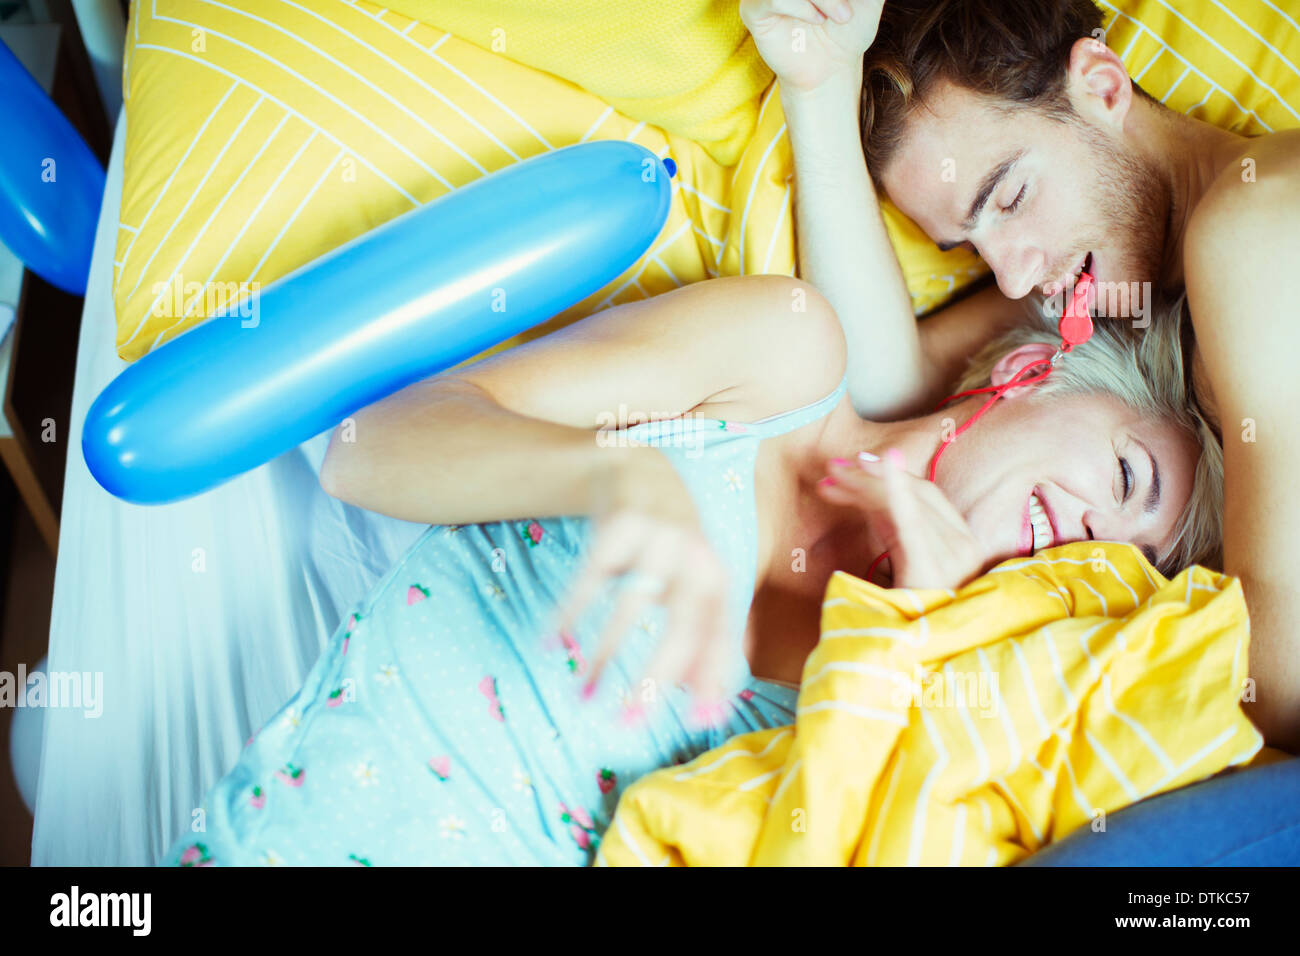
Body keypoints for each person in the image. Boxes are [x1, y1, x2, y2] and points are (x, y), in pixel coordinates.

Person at [162, 271, 1217, 865]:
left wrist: (897, 635)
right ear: (1034, 372)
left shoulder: (922, 702)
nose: (1089, 540)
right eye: (1125, 475)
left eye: (1128, 568)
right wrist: (609, 474)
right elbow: (366, 447)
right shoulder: (783, 358)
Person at [740, 0, 1300, 748]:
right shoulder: (1133, 296)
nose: (1009, 279)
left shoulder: (1254, 225)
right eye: (971, 249)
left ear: (1102, 85)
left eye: (1009, 197)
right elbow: (888, 389)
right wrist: (818, 86)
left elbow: (1273, 685)